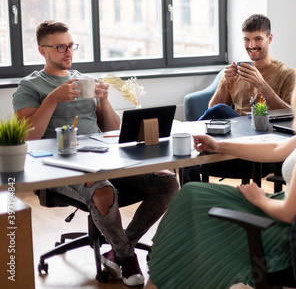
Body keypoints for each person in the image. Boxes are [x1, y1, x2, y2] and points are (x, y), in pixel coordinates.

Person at [144, 38, 296, 289]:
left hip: (284, 236)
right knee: (191, 196)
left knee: (189, 199)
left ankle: (161, 272)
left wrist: (259, 198)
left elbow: (291, 213)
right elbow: (277, 148)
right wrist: (220, 145)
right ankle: (165, 271)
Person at [12, 21, 179, 287]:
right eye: (60, 47)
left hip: (103, 158)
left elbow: (113, 132)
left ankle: (117, 249)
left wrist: (104, 100)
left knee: (167, 183)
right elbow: (28, 136)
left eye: (70, 45)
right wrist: (52, 99)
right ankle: (126, 258)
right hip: (59, 167)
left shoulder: (83, 80)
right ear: (42, 51)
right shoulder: (29, 86)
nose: (68, 52)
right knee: (102, 191)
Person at [199, 13, 296, 120]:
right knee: (220, 109)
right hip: (236, 130)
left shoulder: (288, 73)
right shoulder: (236, 71)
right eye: (247, 39)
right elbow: (212, 112)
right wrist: (223, 82)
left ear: (270, 39)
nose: (251, 45)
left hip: (268, 129)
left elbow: (292, 115)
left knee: (220, 109)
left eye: (258, 39)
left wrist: (261, 85)